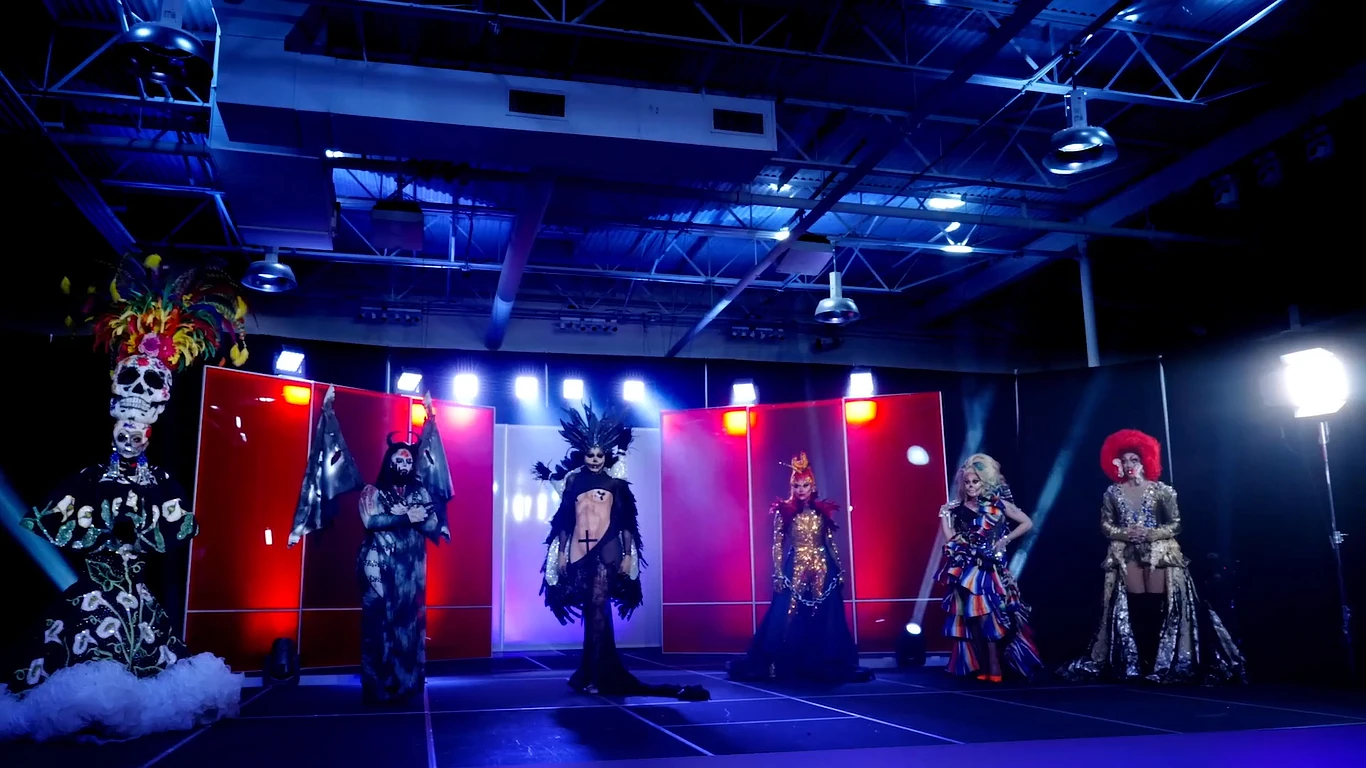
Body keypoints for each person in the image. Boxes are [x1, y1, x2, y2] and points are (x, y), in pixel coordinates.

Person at [0, 255, 247, 741]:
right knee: (75, 665)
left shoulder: (160, 482)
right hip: (93, 594)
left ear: (155, 417)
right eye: (124, 423)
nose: (131, 432)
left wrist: (138, 528)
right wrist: (105, 528)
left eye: (140, 426)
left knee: (152, 664)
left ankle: (120, 711)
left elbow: (173, 530)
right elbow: (60, 521)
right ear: (114, 406)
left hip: (138, 598)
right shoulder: (90, 479)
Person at [289, 388, 452, 706]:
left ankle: (407, 683)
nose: (404, 462)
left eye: (408, 459)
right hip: (378, 566)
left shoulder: (419, 493)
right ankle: (378, 686)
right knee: (378, 626)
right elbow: (371, 520)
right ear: (389, 462)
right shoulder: (372, 491)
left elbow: (430, 522)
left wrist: (433, 523)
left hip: (411, 571)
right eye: (398, 458)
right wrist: (405, 516)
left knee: (408, 624)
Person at [535, 404, 708, 701]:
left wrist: (628, 555)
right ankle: (594, 670)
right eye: (590, 455)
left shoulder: (615, 483)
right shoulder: (573, 481)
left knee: (598, 605)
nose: (594, 460)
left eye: (599, 455)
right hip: (580, 551)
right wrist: (562, 553)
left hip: (608, 550)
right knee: (593, 610)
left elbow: (626, 521)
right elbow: (564, 519)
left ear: (606, 456)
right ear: (583, 454)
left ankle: (596, 675)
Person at [1060, 429, 1246, 684]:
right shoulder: (1112, 492)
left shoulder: (1163, 491)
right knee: (1135, 605)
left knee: (1160, 603)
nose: (1129, 465)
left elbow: (1175, 525)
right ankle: (1140, 661)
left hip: (1160, 552)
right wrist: (1126, 533)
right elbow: (1106, 526)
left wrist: (1150, 533)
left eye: (1134, 459)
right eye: (1124, 460)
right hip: (1127, 552)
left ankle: (1162, 661)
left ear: (1145, 460)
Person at [728, 452, 872, 684]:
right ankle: (775, 661)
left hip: (822, 563)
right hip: (795, 563)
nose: (801, 489)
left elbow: (830, 543)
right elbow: (777, 544)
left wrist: (839, 568)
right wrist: (778, 572)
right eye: (797, 485)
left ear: (812, 486)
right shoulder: (784, 511)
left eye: (805, 485)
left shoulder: (821, 511)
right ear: (791, 486)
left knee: (821, 612)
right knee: (786, 611)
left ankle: (818, 661)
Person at [935, 454, 1043, 682]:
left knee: (986, 614)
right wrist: (944, 515)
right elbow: (951, 539)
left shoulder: (997, 504)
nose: (971, 486)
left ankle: (994, 664)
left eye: (975, 481)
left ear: (984, 482)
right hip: (965, 567)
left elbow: (1027, 522)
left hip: (988, 567)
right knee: (970, 617)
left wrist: (1005, 540)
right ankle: (983, 664)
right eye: (967, 482)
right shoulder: (958, 509)